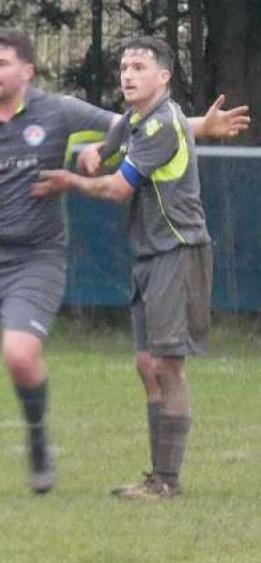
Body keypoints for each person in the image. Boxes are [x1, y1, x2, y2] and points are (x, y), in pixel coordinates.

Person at [0, 28, 248, 495]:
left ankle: (144, 477)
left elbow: (134, 141)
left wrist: (197, 129)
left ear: (27, 71)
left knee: (39, 356)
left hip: (81, 252)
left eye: (0, 63)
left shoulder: (59, 110)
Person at [31, 36, 230, 499]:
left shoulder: (162, 123)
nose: (128, 74)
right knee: (147, 364)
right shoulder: (134, 119)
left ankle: (167, 482)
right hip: (149, 253)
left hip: (177, 252)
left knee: (167, 365)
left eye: (139, 66)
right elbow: (111, 145)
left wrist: (71, 180)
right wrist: (95, 152)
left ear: (163, 77)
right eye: (123, 66)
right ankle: (158, 476)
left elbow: (118, 189)